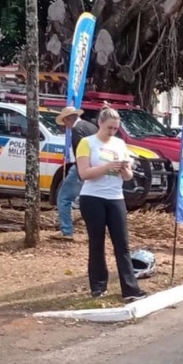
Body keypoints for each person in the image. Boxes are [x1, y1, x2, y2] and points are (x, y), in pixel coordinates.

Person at [76, 107, 148, 302]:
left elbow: (129, 176)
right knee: (97, 242)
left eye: (115, 128)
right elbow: (84, 174)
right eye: (109, 128)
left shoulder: (119, 144)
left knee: (122, 244)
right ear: (100, 123)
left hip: (115, 197)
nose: (112, 132)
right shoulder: (87, 143)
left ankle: (130, 289)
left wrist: (124, 170)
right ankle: (98, 286)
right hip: (93, 197)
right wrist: (107, 166)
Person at [55, 105, 97, 240]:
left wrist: (81, 173)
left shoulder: (76, 130)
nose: (65, 125)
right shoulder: (91, 126)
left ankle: (66, 231)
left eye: (64, 122)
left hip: (81, 167)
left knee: (63, 198)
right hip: (96, 168)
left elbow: (80, 154)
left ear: (68, 119)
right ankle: (97, 231)